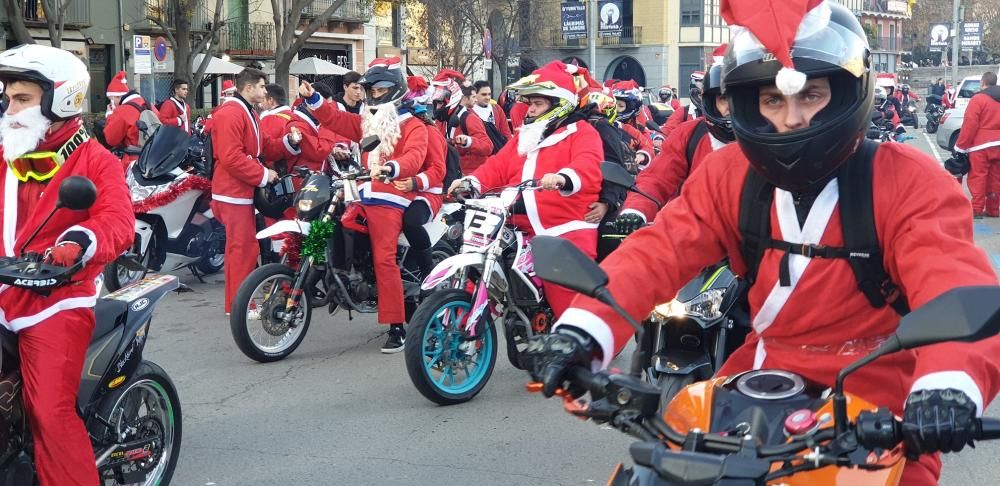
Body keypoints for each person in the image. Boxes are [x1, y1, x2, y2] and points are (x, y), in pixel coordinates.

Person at [526, 2, 1000, 484]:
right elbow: (660, 249)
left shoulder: (908, 180)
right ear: (749, 105)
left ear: (845, 95)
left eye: (810, 95)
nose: (791, 118)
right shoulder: (729, 173)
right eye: (772, 101)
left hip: (879, 400)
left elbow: (952, 283)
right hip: (754, 385)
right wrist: (582, 333)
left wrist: (947, 386)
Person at [0, 44, 135, 485]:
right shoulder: (9, 150)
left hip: (55, 299)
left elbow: (117, 220)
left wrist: (79, 240)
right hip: (3, 288)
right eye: (7, 97)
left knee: (49, 412)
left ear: (60, 100)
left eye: (21, 98)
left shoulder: (94, 159)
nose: (9, 107)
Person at [447, 61, 603, 317]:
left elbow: (589, 164)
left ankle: (576, 347)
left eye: (537, 103)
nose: (529, 110)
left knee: (565, 295)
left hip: (564, 226)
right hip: (517, 224)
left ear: (558, 103)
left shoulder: (582, 132)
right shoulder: (525, 136)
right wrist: (472, 182)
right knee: (482, 265)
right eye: (529, 103)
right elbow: (497, 165)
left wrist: (563, 177)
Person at [304, 57, 429, 353]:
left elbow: (415, 156)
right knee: (328, 222)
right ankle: (337, 275)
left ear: (395, 89)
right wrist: (313, 98)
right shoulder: (368, 121)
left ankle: (396, 326)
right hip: (362, 193)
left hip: (392, 196)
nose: (374, 95)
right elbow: (337, 120)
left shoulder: (414, 125)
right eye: (370, 90)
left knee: (384, 258)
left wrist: (393, 168)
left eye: (379, 90)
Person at [613, 58, 735, 232]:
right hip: (692, 231)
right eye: (724, 98)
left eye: (740, 97)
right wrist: (636, 210)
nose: (732, 106)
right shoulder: (689, 132)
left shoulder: (771, 133)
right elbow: (657, 178)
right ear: (709, 100)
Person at [210, 68, 281, 315]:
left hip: (238, 189)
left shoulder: (246, 111)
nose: (265, 91)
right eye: (262, 87)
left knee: (242, 248)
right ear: (248, 88)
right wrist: (264, 175)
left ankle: (237, 303)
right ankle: (241, 305)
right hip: (232, 191)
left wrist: (290, 144)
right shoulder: (232, 113)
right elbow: (231, 156)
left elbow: (265, 145)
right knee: (242, 248)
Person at [394, 80, 448, 281]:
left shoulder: (428, 131)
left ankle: (428, 275)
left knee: (411, 222)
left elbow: (438, 170)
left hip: (426, 192)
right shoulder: (395, 129)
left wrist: (415, 182)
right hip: (399, 188)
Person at [954, 71, 1000, 218]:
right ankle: (993, 209)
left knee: (978, 177)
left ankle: (977, 209)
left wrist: (960, 146)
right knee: (995, 177)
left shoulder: (978, 99)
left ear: (983, 83)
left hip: (981, 145)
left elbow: (970, 124)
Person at [430, 70, 493, 173]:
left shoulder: (469, 118)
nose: (437, 107)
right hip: (451, 174)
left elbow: (487, 146)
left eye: (440, 103)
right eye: (436, 103)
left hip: (471, 177)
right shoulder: (442, 121)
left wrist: (468, 141)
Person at [103, 70, 149, 168]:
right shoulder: (146, 103)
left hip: (134, 161)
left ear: (117, 96)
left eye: (111, 99)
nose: (112, 103)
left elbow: (111, 139)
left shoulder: (123, 111)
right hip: (151, 157)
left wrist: (110, 116)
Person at [612, 82, 654, 169]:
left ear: (631, 107)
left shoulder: (638, 130)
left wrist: (642, 155)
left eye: (620, 106)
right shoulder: (602, 124)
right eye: (613, 104)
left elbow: (648, 147)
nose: (615, 109)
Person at [661, 70, 706, 137]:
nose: (703, 98)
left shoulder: (718, 111)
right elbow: (667, 130)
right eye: (700, 95)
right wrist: (659, 137)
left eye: (707, 95)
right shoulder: (683, 111)